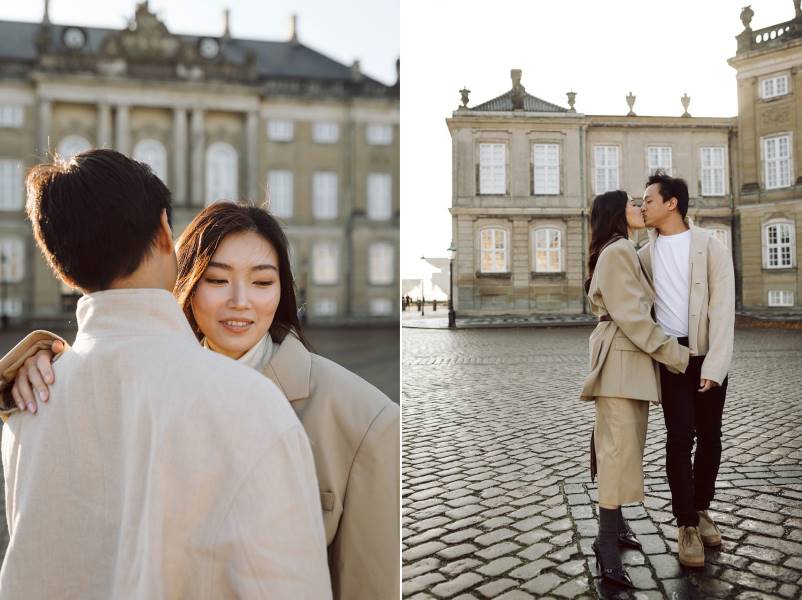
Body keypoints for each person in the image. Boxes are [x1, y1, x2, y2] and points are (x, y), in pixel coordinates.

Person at [7, 202, 400, 600]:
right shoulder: (148, 381)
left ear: (282, 290)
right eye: (216, 280)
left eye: (263, 283)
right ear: (188, 282)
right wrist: (37, 365)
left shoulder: (368, 422)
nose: (240, 301)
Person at [580, 190, 689, 588]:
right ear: (616, 213)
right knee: (617, 451)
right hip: (623, 361)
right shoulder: (619, 250)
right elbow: (633, 318)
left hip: (627, 364)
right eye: (632, 204)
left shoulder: (623, 248)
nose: (640, 208)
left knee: (622, 447)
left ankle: (618, 527)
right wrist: (675, 354)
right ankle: (606, 546)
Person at [639, 171, 734, 568]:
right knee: (680, 439)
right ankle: (685, 525)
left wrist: (715, 363)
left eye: (648, 200)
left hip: (707, 353)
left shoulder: (709, 245)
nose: (642, 206)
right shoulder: (642, 253)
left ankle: (701, 507)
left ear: (671, 203)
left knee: (711, 436)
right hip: (670, 356)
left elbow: (723, 307)